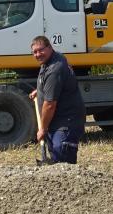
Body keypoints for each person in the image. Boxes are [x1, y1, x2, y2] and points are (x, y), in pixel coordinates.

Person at [28, 35, 86, 164]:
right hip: (56, 120)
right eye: (34, 52)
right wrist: (41, 90)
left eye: (40, 50)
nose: (38, 54)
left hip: (66, 121)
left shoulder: (55, 68)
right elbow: (56, 83)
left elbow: (49, 105)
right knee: (55, 155)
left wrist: (42, 128)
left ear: (50, 47)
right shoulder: (51, 61)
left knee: (61, 153)